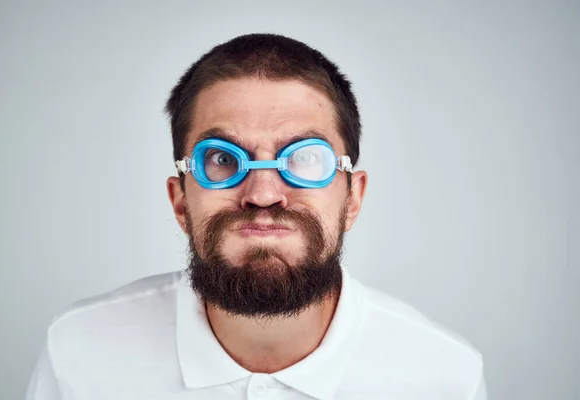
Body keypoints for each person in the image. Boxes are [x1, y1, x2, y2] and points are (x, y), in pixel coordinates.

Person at [26, 33, 487, 400]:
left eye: (304, 159)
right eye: (223, 161)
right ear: (181, 201)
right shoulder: (79, 352)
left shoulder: (445, 378)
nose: (263, 194)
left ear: (352, 198)